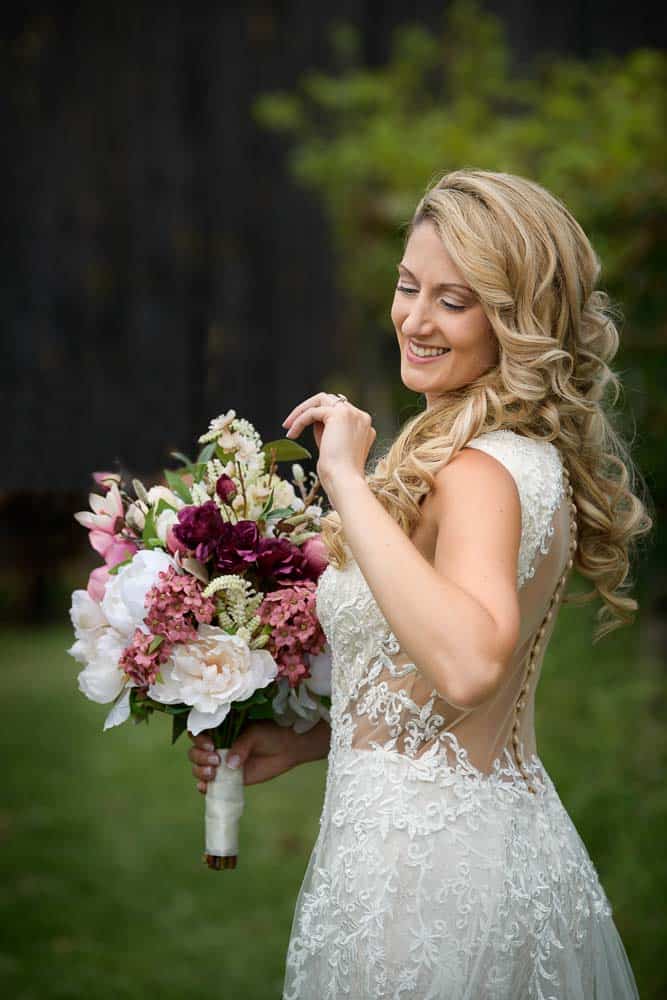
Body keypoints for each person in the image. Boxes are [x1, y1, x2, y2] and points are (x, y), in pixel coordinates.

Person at [188, 169, 650, 998]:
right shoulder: (511, 457)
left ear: (516, 318)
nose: (415, 319)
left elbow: (471, 663)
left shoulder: (477, 471)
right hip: (475, 839)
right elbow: (439, 693)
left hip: (426, 876)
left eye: (454, 300)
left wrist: (345, 480)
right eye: (408, 287)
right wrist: (302, 743)